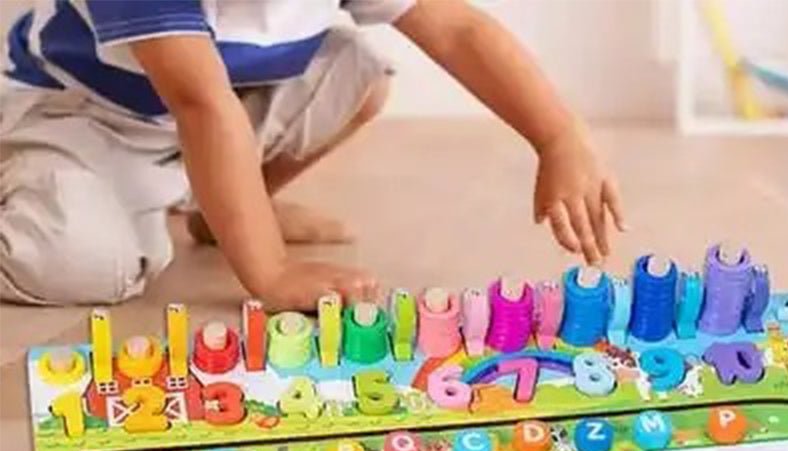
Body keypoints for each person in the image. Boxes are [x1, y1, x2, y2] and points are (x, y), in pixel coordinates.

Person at [1, 0, 626, 309]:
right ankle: (35, 193)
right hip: (80, 118)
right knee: (80, 263)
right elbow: (200, 103)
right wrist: (269, 272)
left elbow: (457, 29)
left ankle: (218, 210)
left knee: (357, 72)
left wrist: (558, 136)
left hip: (206, 113)